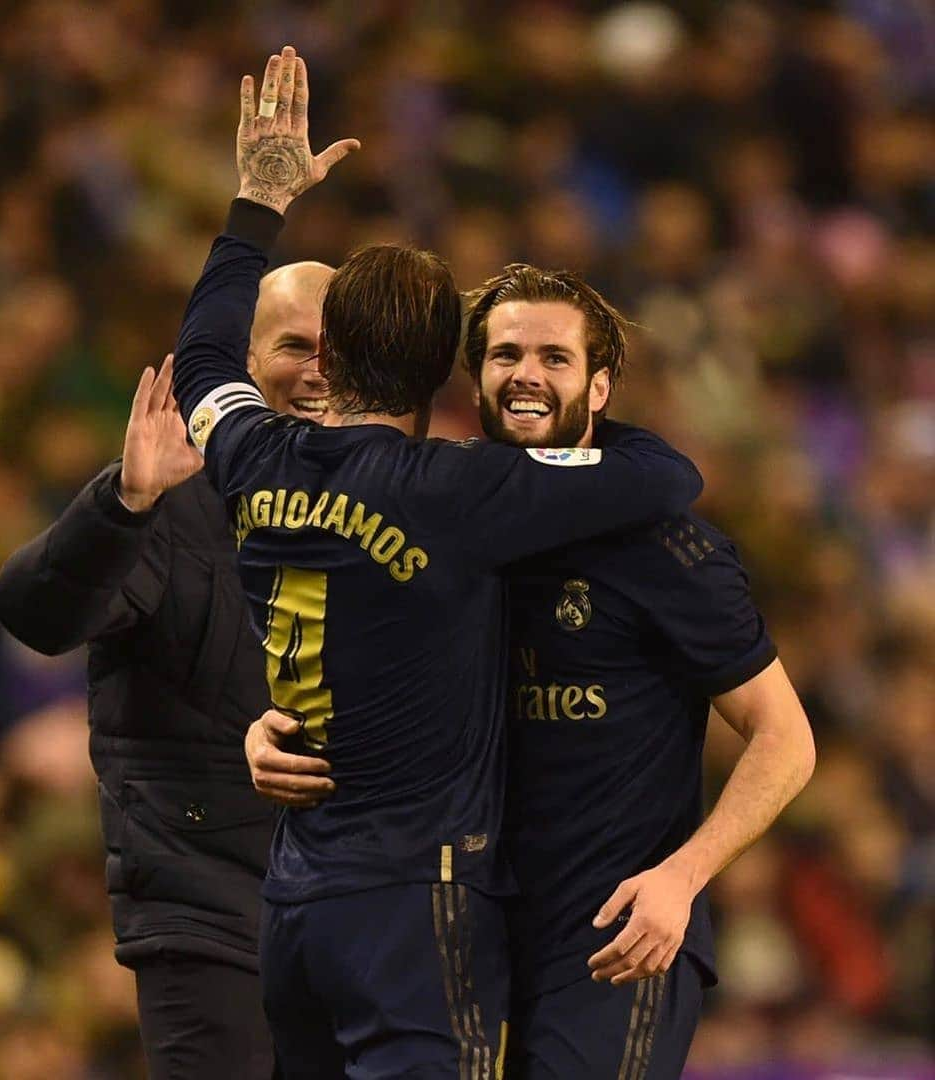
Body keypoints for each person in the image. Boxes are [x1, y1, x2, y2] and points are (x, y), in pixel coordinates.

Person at [168, 46, 703, 1079]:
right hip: (417, 905)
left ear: (326, 360)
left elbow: (201, 355)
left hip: (295, 907)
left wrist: (255, 208)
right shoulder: (460, 489)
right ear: (442, 375)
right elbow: (666, 475)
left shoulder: (245, 450)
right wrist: (575, 413)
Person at [247, 263, 817, 1079]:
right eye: (506, 353)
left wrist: (682, 878)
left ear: (600, 386)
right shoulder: (439, 508)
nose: (527, 375)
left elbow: (785, 738)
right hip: (459, 931)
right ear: (472, 375)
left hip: (612, 940)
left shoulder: (662, 547)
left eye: (556, 358)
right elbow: (334, 647)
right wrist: (267, 726)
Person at [0, 257, 334, 1080]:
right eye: (294, 346)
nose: (319, 369)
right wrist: (126, 503)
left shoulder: (384, 508)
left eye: (341, 347)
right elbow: (36, 613)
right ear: (244, 364)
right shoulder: (170, 499)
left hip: (347, 918)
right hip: (207, 915)